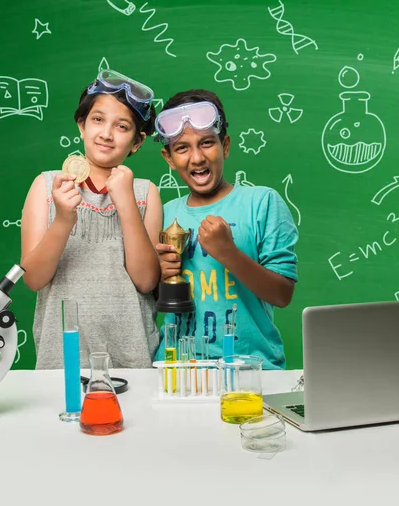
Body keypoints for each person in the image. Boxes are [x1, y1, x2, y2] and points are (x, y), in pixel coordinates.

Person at [21, 70, 162, 369]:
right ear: (82, 126)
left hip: (132, 359)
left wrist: (125, 204)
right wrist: (62, 219)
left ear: (137, 142)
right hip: (63, 360)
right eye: (98, 120)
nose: (107, 133)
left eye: (122, 126)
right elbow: (33, 278)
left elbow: (146, 280)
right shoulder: (46, 187)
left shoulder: (145, 192)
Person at [154, 90, 298, 369]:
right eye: (182, 148)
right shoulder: (164, 213)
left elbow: (282, 295)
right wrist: (158, 275)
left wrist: (228, 253)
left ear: (226, 146)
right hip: (176, 369)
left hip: (250, 368)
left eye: (206, 143)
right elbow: (151, 300)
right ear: (169, 158)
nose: (196, 158)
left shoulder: (262, 203)